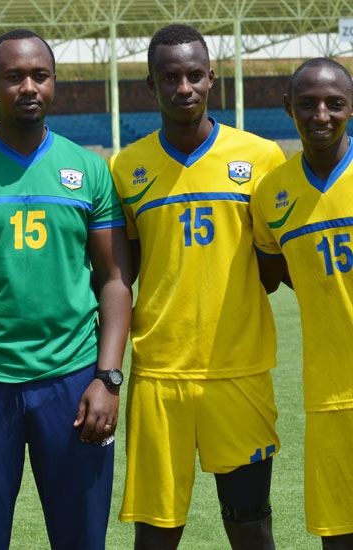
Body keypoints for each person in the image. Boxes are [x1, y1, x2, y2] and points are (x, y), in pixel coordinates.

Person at [0, 28, 132, 549]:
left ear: (55, 81)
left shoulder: (88, 170)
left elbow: (114, 280)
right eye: (14, 77)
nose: (29, 87)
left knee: (82, 539)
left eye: (40, 75)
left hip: (72, 380)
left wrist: (108, 378)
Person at [109, 24, 285, 550]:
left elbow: (272, 269)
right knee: (156, 530)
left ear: (212, 78)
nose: (183, 87)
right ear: (151, 85)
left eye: (193, 75)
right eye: (169, 77)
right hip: (160, 371)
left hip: (240, 368)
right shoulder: (127, 167)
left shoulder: (261, 157)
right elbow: (125, 270)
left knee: (250, 521)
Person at [251, 57, 353, 550]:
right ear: (288, 106)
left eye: (335, 103)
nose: (322, 115)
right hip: (328, 393)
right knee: (338, 535)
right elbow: (274, 274)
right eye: (308, 103)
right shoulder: (271, 194)